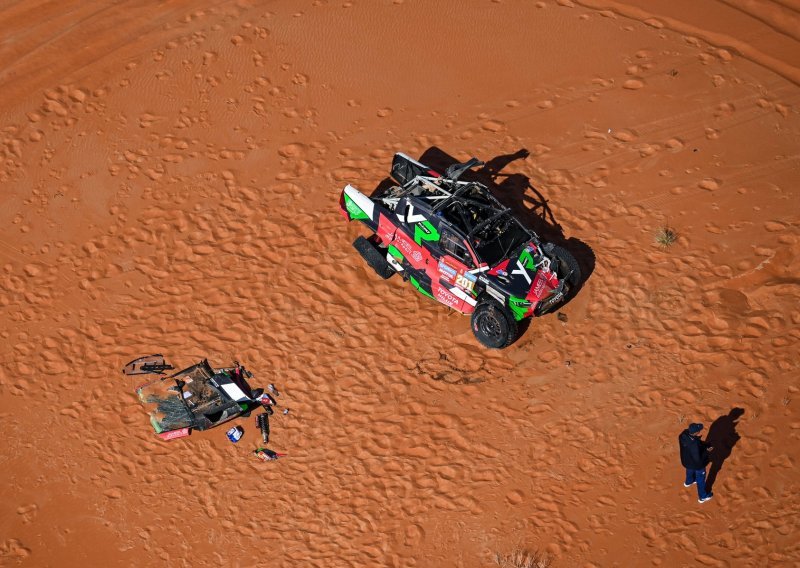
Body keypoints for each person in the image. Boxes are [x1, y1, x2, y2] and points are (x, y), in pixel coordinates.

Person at [679, 423, 713, 503]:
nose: (699, 431)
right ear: (695, 433)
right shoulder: (694, 446)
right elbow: (699, 459)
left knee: (689, 470)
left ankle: (688, 482)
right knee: (700, 480)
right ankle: (702, 497)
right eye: (699, 430)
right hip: (697, 465)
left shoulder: (683, 435)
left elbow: (694, 442)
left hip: (686, 461)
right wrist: (707, 452)